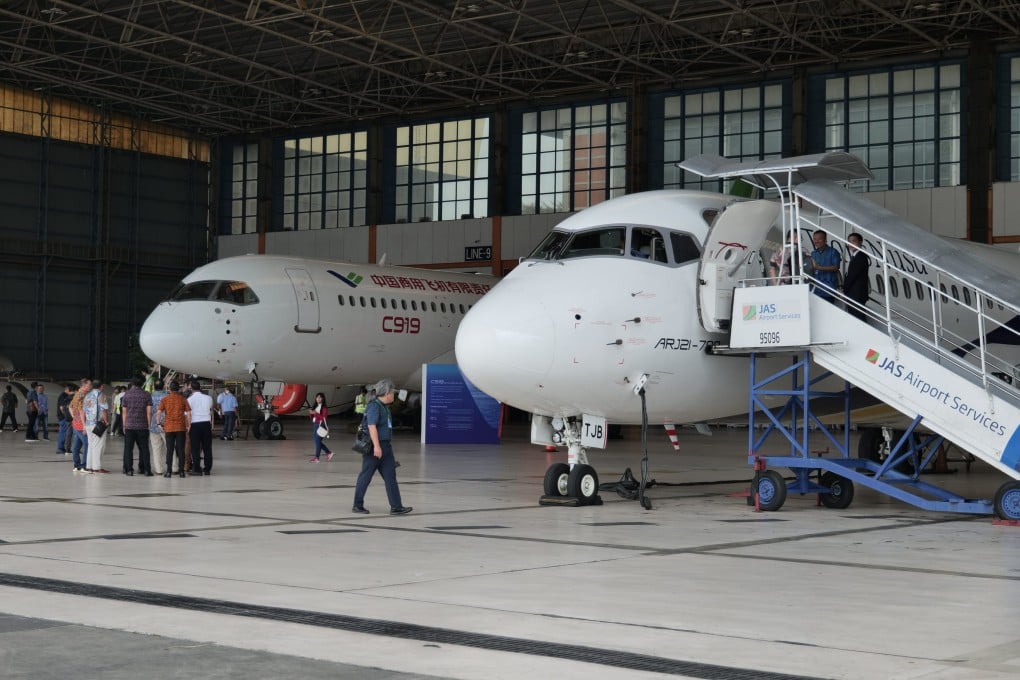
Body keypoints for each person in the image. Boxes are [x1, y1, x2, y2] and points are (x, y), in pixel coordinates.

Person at [352, 379, 411, 515]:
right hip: (375, 447)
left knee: (391, 476)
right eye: (392, 392)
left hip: (386, 447)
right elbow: (372, 426)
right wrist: (377, 447)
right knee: (366, 476)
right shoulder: (374, 406)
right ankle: (357, 504)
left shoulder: (384, 407)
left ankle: (396, 506)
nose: (393, 395)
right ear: (386, 393)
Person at [121, 377, 153, 476]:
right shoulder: (146, 395)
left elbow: (124, 412)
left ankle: (129, 469)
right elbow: (149, 412)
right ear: (142, 383)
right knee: (144, 448)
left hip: (129, 426)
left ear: (133, 384)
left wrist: (124, 425)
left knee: (128, 448)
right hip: (143, 426)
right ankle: (146, 469)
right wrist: (148, 425)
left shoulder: (127, 394)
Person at [157, 381, 190, 478]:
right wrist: (189, 425)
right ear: (178, 389)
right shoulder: (183, 399)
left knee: (169, 450)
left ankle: (168, 472)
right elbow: (189, 413)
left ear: (169, 389)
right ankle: (181, 472)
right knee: (181, 450)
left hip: (169, 428)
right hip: (180, 428)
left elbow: (159, 412)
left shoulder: (165, 399)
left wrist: (159, 423)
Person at [841, 232, 871, 321]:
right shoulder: (856, 256)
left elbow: (852, 276)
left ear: (860, 242)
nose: (850, 244)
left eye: (853, 241)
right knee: (856, 317)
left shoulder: (860, 257)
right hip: (855, 294)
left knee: (858, 318)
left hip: (856, 294)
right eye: (849, 241)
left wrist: (844, 290)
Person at [187, 380, 214, 475]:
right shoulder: (208, 398)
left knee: (195, 448)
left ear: (191, 389)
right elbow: (210, 409)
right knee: (207, 447)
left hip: (195, 424)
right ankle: (207, 469)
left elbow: (187, 413)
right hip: (206, 424)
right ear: (200, 388)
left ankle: (197, 469)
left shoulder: (189, 399)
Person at [83, 380, 110, 473]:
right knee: (98, 446)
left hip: (88, 423)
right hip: (98, 424)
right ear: (100, 386)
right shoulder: (101, 395)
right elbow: (104, 409)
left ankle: (89, 466)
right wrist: (106, 421)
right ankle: (97, 467)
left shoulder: (87, 395)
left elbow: (84, 410)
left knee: (91, 446)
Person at [810, 229, 841, 301]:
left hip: (828, 289)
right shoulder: (813, 253)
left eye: (819, 239)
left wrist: (819, 267)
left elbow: (836, 267)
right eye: (814, 239)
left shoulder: (833, 252)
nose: (816, 241)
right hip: (815, 289)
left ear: (825, 239)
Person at [68, 379, 90, 473]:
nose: (91, 386)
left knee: (76, 446)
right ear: (84, 385)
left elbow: (70, 407)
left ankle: (76, 465)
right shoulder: (82, 395)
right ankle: (83, 466)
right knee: (87, 444)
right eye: (90, 385)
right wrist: (84, 425)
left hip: (76, 423)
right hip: (81, 424)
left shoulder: (77, 394)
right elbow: (81, 410)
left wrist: (73, 416)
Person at [149, 379, 168, 475]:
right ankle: (174, 467)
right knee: (170, 447)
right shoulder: (167, 396)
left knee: (156, 449)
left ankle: (159, 469)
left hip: (153, 425)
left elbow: (149, 412)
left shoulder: (150, 397)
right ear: (163, 386)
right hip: (166, 425)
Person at [309, 391, 333, 462]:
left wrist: (315, 413)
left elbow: (324, 417)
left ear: (323, 399)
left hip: (321, 425)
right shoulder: (316, 406)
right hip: (316, 425)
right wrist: (311, 413)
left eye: (320, 397)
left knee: (317, 441)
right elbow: (313, 417)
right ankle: (328, 453)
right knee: (317, 441)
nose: (318, 399)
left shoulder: (324, 407)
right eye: (317, 397)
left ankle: (317, 457)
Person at [55, 384, 74, 455]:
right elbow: (61, 408)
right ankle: (60, 448)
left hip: (64, 416)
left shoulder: (65, 396)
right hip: (63, 417)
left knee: (64, 432)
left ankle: (62, 448)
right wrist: (66, 415)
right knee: (63, 432)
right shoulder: (63, 396)